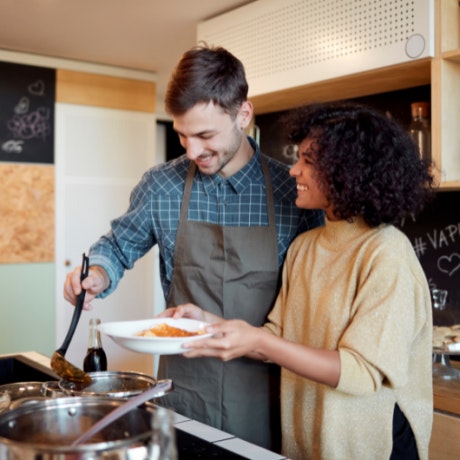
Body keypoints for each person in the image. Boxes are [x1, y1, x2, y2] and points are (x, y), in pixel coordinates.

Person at [63, 44, 324, 450]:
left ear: (243, 114)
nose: (192, 151)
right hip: (183, 393)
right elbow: (117, 246)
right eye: (182, 135)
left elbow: (310, 312)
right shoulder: (161, 185)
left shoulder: (295, 193)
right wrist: (96, 274)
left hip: (267, 396)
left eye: (204, 135)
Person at [162, 101, 435, 460]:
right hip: (311, 443)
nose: (293, 171)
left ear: (346, 171)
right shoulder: (306, 246)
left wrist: (258, 339)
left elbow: (360, 372)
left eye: (308, 161)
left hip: (375, 446)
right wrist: (207, 324)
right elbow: (277, 338)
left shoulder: (386, 254)